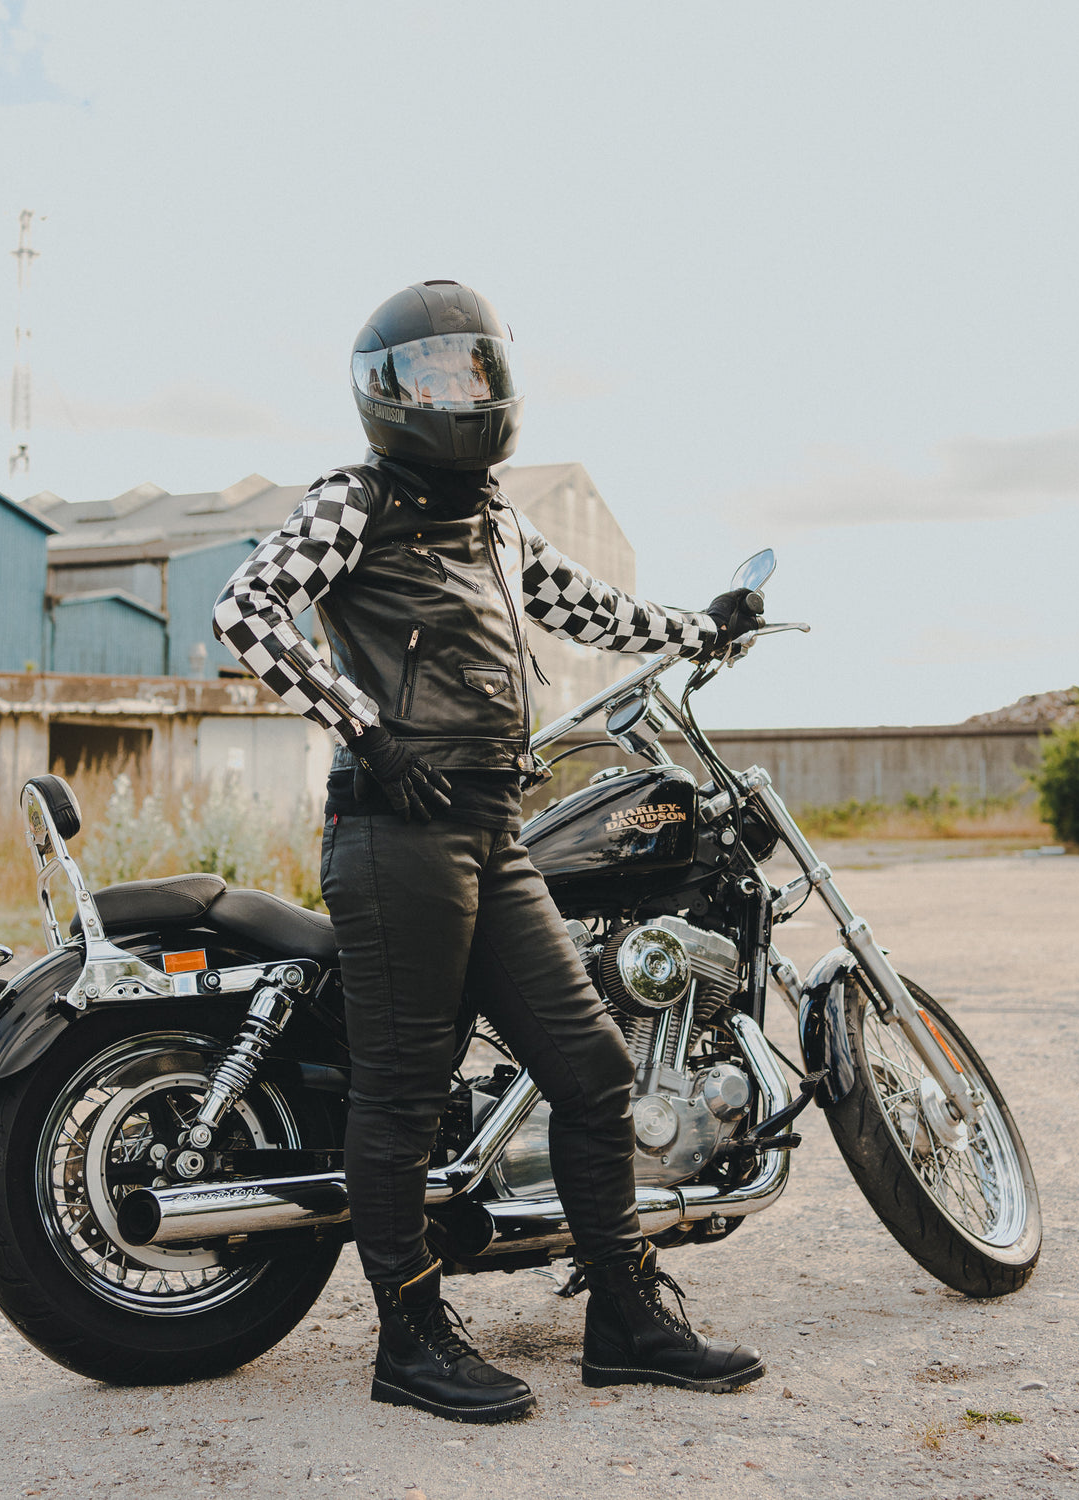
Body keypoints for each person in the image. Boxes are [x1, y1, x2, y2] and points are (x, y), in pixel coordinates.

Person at [213, 280, 765, 1424]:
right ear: (384, 392)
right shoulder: (356, 498)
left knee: (593, 1071)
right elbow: (244, 610)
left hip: (491, 828)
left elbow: (594, 611)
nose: (460, 392)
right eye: (434, 375)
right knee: (403, 1094)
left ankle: (624, 1318)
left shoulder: (502, 521)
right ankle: (409, 1340)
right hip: (395, 830)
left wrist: (701, 627)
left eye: (474, 368)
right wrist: (363, 724)